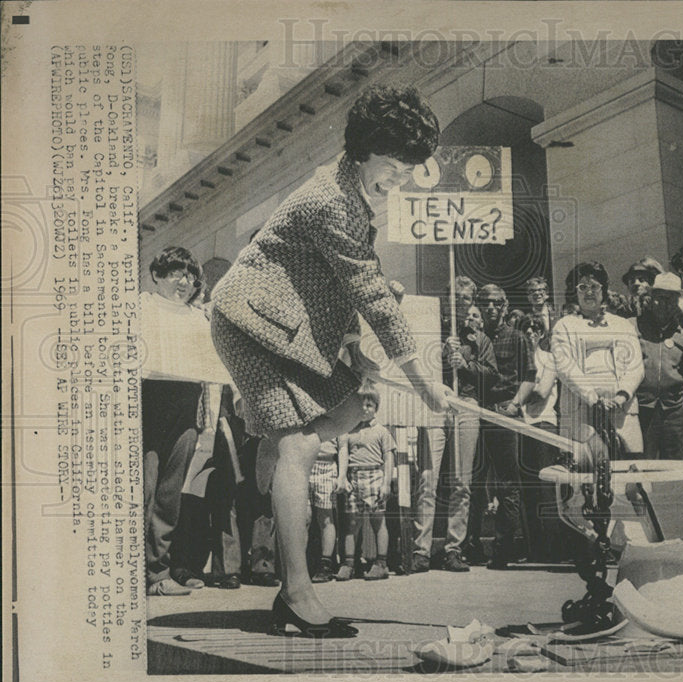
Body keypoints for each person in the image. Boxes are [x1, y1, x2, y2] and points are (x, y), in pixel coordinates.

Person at [210, 85, 451, 637]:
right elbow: (369, 294)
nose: (401, 179)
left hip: (290, 328)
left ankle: (266, 441)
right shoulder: (332, 201)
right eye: (394, 166)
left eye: (409, 169)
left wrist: (360, 352)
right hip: (247, 324)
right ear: (365, 151)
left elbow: (342, 286)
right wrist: (424, 379)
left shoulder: (352, 189)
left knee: (348, 413)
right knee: (296, 445)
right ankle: (296, 592)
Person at [413, 276, 497, 573]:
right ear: (446, 300)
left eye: (466, 299)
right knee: (427, 479)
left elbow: (491, 374)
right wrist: (440, 352)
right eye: (456, 298)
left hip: (466, 405)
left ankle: (453, 548)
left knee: (462, 482)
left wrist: (466, 364)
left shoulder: (479, 338)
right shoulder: (431, 331)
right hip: (435, 406)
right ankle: (420, 549)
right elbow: (418, 366)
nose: (461, 304)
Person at [142, 247, 210, 596]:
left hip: (186, 406)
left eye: (189, 276)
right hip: (149, 403)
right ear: (156, 275)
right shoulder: (141, 307)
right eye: (175, 274)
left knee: (169, 496)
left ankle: (158, 574)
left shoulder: (197, 317)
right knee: (145, 489)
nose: (183, 282)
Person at [551, 262, 644, 456]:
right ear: (574, 292)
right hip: (581, 409)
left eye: (595, 286)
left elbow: (636, 367)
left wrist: (621, 396)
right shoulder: (564, 326)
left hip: (621, 409)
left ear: (604, 289)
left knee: (630, 473)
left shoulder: (623, 324)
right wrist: (594, 398)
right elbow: (565, 367)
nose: (589, 292)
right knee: (588, 467)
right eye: (582, 287)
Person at [474, 284, 536, 569]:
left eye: (496, 303)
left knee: (507, 483)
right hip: (475, 411)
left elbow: (529, 377)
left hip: (504, 412)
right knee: (474, 481)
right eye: (485, 303)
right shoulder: (473, 337)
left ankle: (505, 547)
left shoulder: (518, 338)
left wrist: (514, 405)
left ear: (504, 305)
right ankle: (471, 545)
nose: (490, 308)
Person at [516, 313, 564, 562]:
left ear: (542, 333)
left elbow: (542, 391)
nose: (531, 332)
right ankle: (533, 549)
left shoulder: (548, 358)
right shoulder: (517, 359)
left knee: (547, 487)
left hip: (543, 424)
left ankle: (554, 549)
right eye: (526, 328)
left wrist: (517, 390)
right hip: (520, 425)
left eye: (536, 328)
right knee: (528, 488)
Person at [334, 385, 395, 581]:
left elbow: (388, 458)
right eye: (361, 404)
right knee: (352, 523)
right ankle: (349, 563)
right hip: (355, 478)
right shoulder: (348, 430)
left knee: (378, 521)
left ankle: (381, 563)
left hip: (375, 477)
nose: (365, 408)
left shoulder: (381, 431)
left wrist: (386, 483)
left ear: (376, 407)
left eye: (369, 404)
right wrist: (343, 477)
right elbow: (343, 451)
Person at [633, 272, 683, 459]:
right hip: (642, 409)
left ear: (677, 302)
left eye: (670, 299)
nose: (664, 304)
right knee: (642, 465)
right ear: (651, 298)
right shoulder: (633, 329)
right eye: (660, 298)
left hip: (673, 413)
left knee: (677, 466)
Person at [308, 438, 340, 583]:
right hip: (303, 464)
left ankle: (326, 564)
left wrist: (342, 476)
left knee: (326, 518)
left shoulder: (336, 417)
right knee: (302, 518)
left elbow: (343, 447)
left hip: (327, 466)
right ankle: (299, 565)